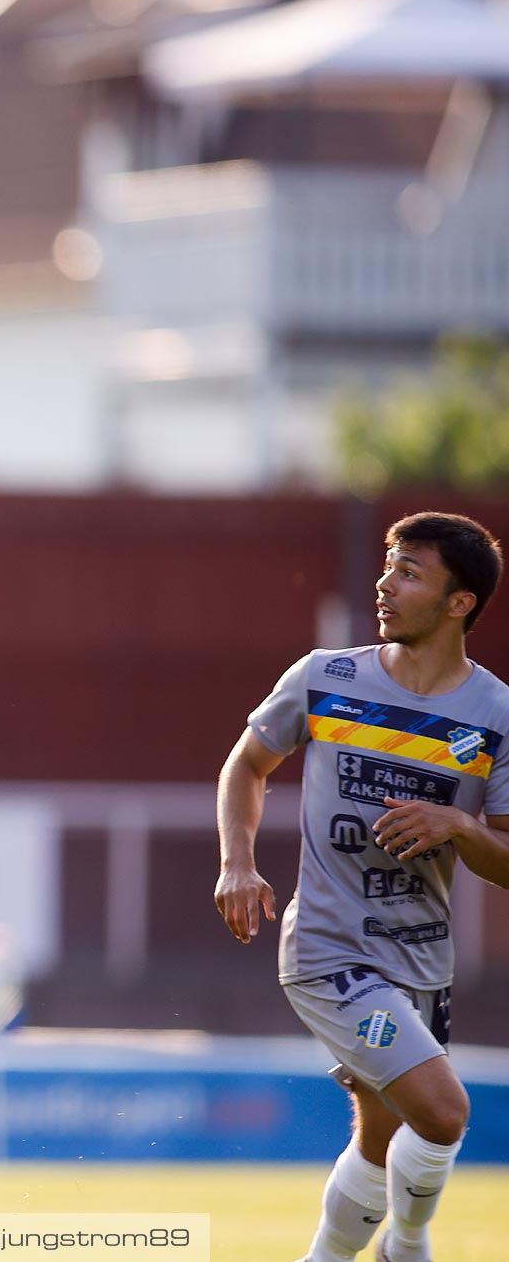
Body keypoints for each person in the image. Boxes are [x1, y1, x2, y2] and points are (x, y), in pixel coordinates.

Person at [216, 511, 509, 1262]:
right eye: (387, 565)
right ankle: (407, 1246)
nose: (384, 583)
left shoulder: (497, 716)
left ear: (459, 603)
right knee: (444, 1115)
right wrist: (237, 863)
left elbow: (505, 856)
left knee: (382, 1137)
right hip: (328, 952)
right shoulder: (324, 677)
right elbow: (246, 766)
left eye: (409, 571)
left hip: (422, 958)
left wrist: (461, 827)